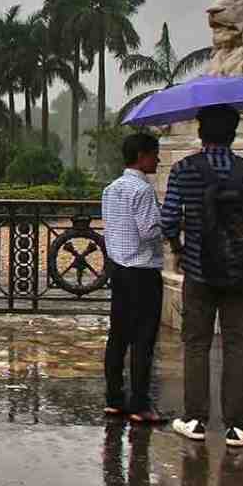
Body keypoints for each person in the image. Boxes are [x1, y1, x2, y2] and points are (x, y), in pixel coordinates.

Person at [162, 104, 243, 447]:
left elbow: (169, 219)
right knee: (237, 345)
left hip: (199, 271)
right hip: (240, 273)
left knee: (196, 344)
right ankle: (238, 425)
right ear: (233, 134)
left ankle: (195, 419)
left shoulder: (184, 169)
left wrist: (178, 249)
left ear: (201, 132)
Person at [101, 133, 165, 423]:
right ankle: (140, 403)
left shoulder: (111, 189)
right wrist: (169, 221)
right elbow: (149, 231)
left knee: (118, 336)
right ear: (142, 156)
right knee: (143, 340)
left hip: (119, 269)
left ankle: (114, 398)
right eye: (155, 154)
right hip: (142, 271)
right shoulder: (142, 190)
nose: (158, 159)